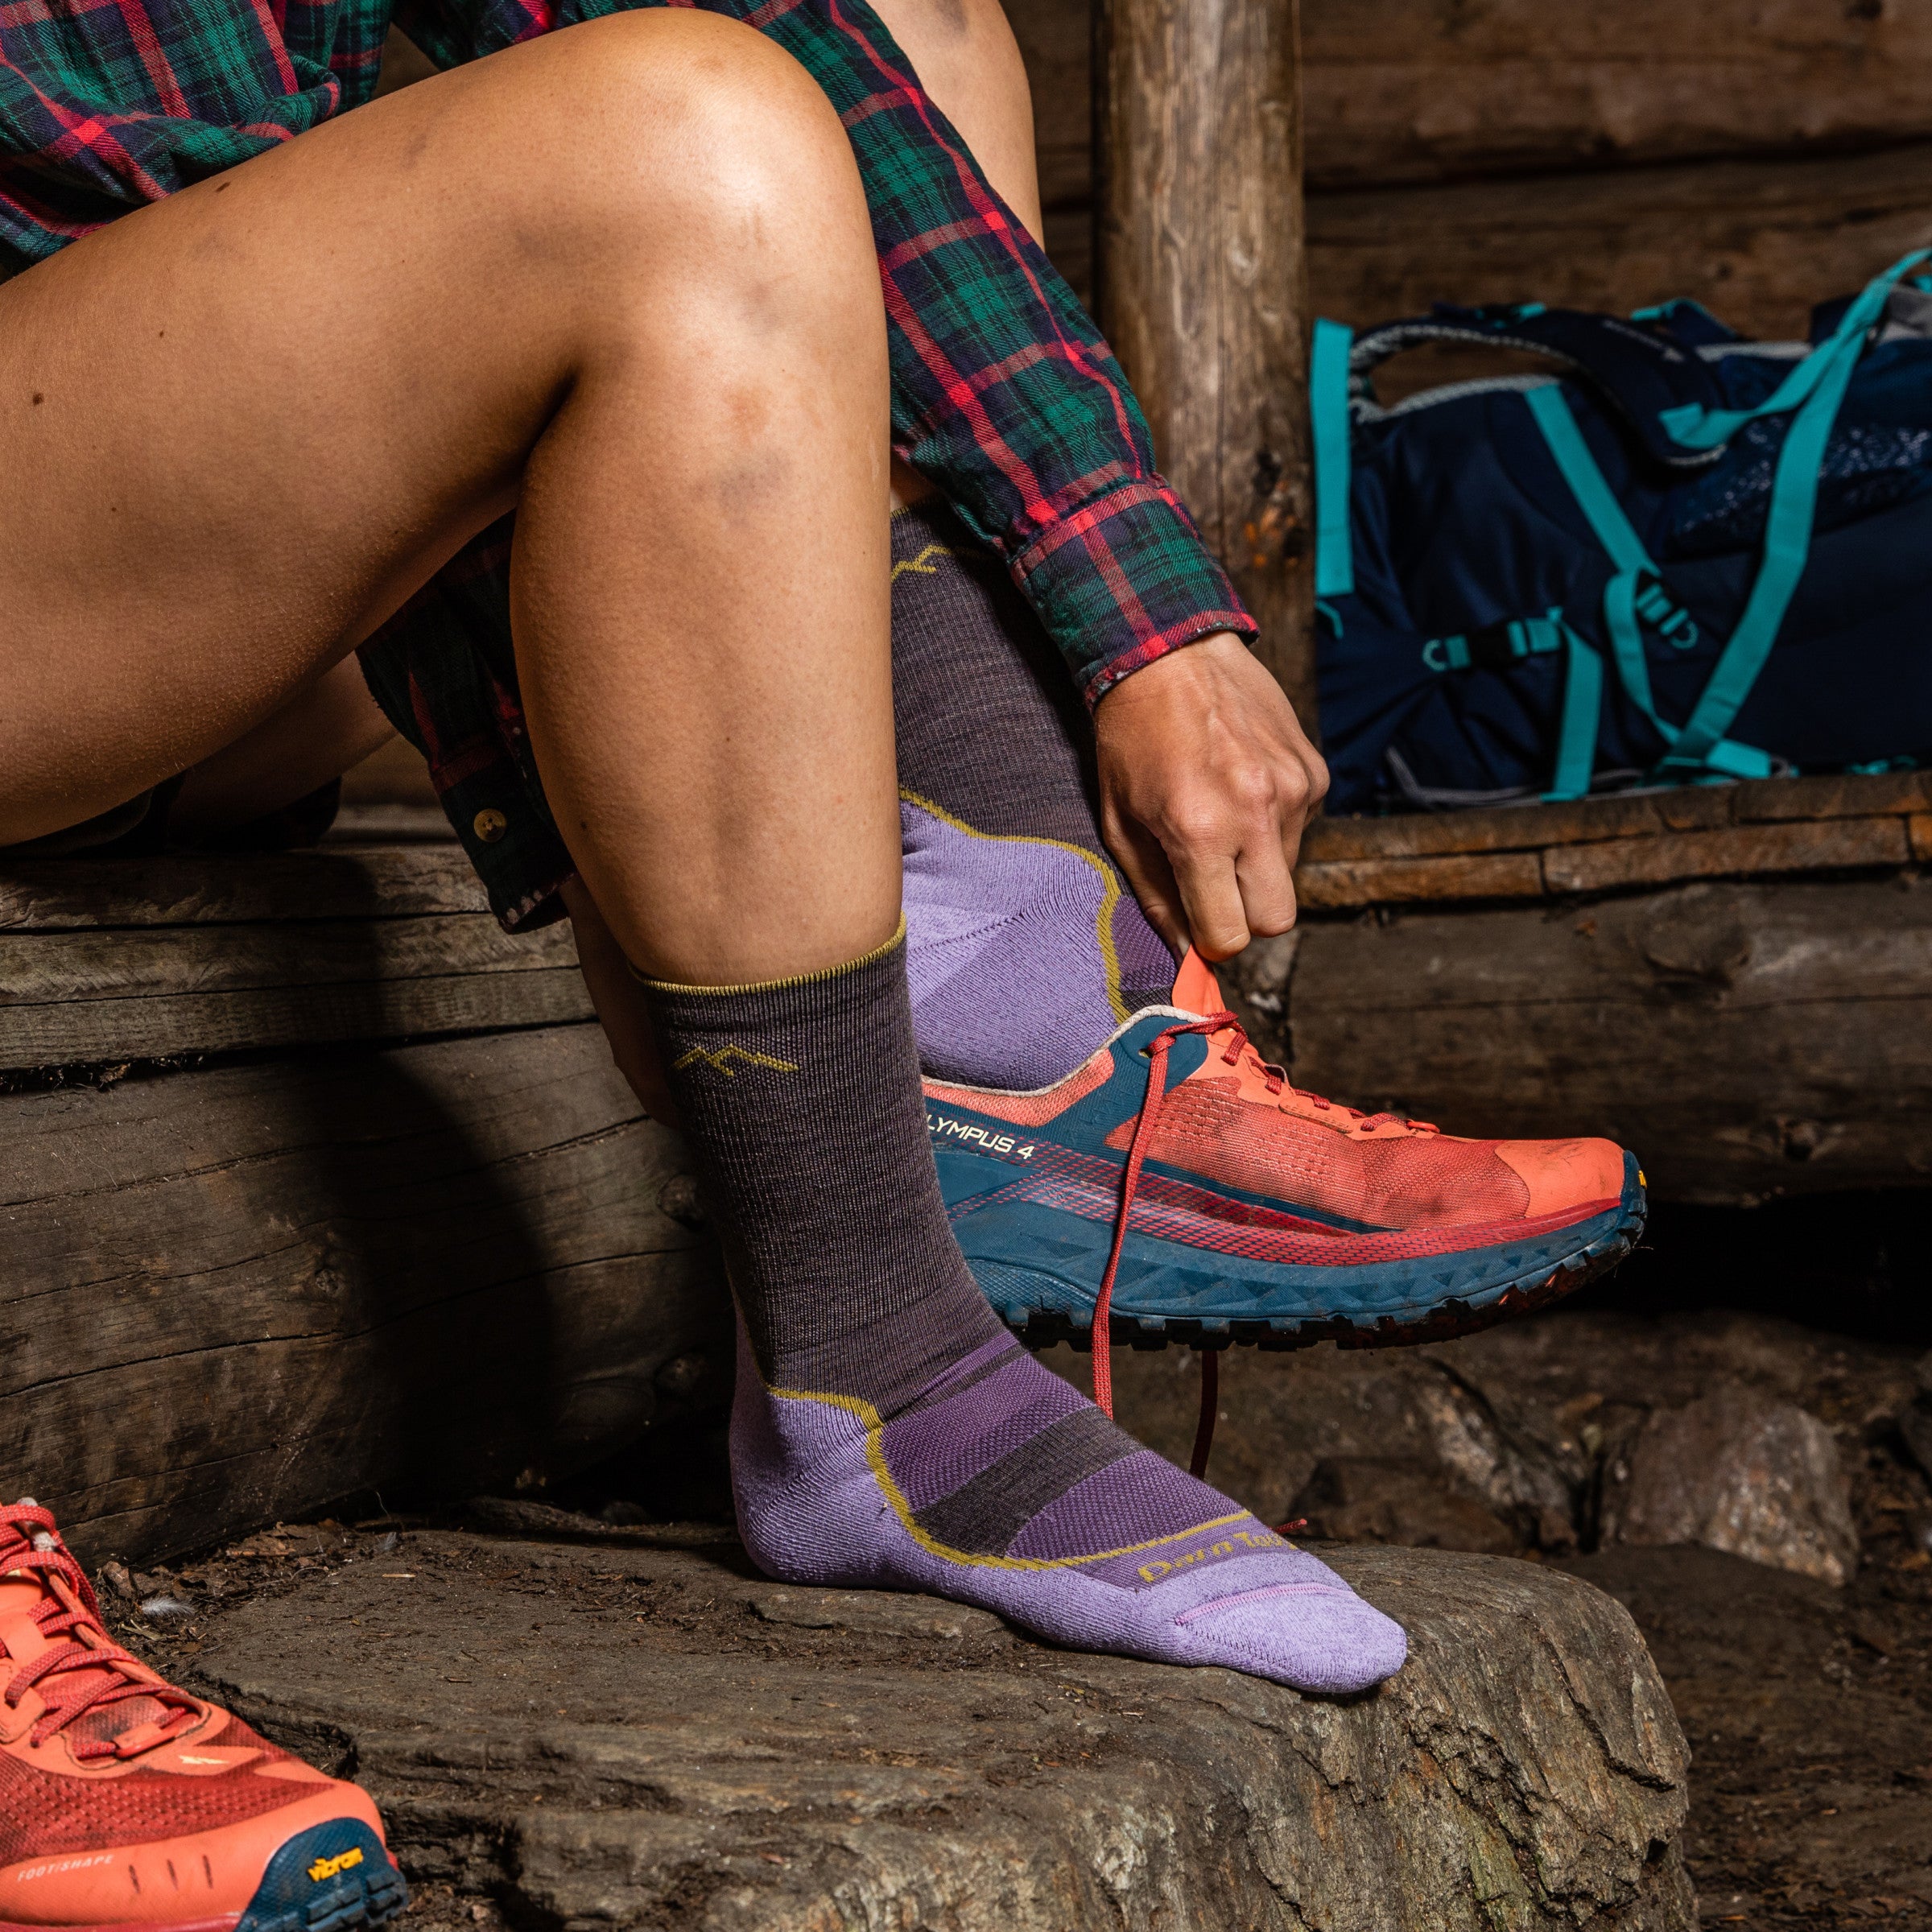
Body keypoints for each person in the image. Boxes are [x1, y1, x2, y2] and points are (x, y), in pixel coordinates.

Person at [0, 2, 1642, 1926]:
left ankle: (1005, 1017)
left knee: (913, 39)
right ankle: (898, 1314)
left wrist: (1143, 617)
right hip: (69, 532)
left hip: (192, 554)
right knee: (684, 145)